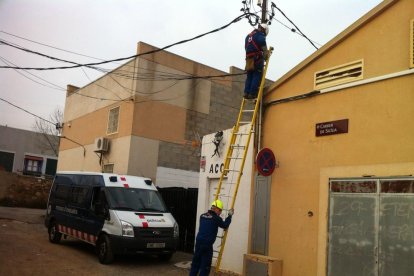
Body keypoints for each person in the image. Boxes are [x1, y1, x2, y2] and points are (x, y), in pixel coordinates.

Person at [189, 200, 234, 276]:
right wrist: (229, 215)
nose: (220, 213)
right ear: (216, 208)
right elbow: (225, 225)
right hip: (207, 245)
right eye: (220, 210)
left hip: (198, 243)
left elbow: (208, 225)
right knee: (205, 266)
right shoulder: (216, 218)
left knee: (195, 264)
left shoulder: (202, 216)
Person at [244, 23, 269, 99]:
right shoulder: (260, 35)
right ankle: (252, 93)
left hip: (249, 59)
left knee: (249, 76)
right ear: (264, 30)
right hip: (256, 59)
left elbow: (246, 47)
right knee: (257, 75)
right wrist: (265, 55)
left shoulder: (248, 36)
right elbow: (262, 42)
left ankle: (246, 92)